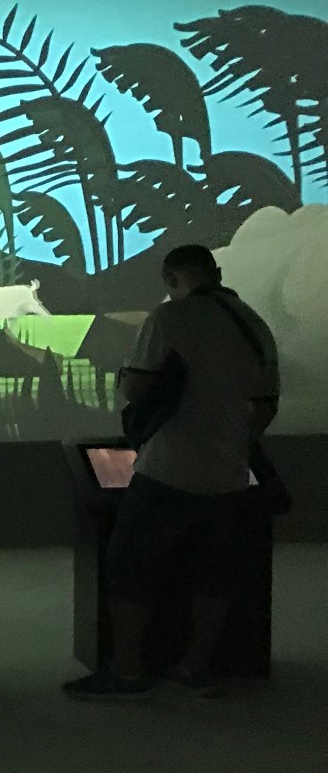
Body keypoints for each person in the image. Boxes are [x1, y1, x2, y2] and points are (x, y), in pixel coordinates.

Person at [66, 243, 280, 699]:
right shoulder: (254, 323)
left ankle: (127, 668)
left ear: (169, 278)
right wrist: (234, 444)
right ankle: (196, 665)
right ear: (215, 271)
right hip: (230, 473)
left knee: (130, 563)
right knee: (213, 572)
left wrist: (125, 381)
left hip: (167, 467)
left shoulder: (169, 318)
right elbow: (265, 404)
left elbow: (138, 387)